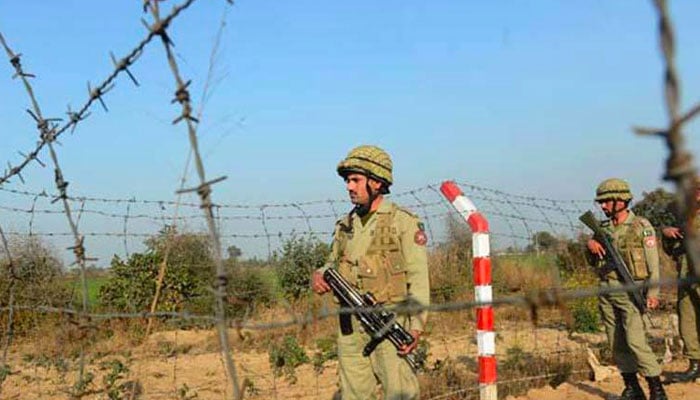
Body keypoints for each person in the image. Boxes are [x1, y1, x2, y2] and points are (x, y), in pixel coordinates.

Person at [311, 145, 430, 400]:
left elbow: (419, 279)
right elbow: (332, 263)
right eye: (347, 180)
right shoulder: (345, 226)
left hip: (390, 325)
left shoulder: (402, 222)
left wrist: (416, 328)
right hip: (350, 330)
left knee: (400, 394)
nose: (349, 187)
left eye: (355, 180)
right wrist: (320, 274)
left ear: (376, 182)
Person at [586, 178, 667, 400]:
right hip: (606, 290)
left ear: (620, 201)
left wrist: (652, 294)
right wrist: (590, 246)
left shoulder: (641, 226)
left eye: (606, 202)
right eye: (600, 202)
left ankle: (657, 390)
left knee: (636, 342)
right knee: (616, 342)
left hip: (631, 292)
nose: (602, 206)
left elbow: (653, 265)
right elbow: (594, 261)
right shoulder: (601, 228)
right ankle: (632, 387)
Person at [661, 178, 700, 383]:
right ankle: (695, 364)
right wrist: (667, 234)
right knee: (688, 320)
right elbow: (672, 251)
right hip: (686, 277)